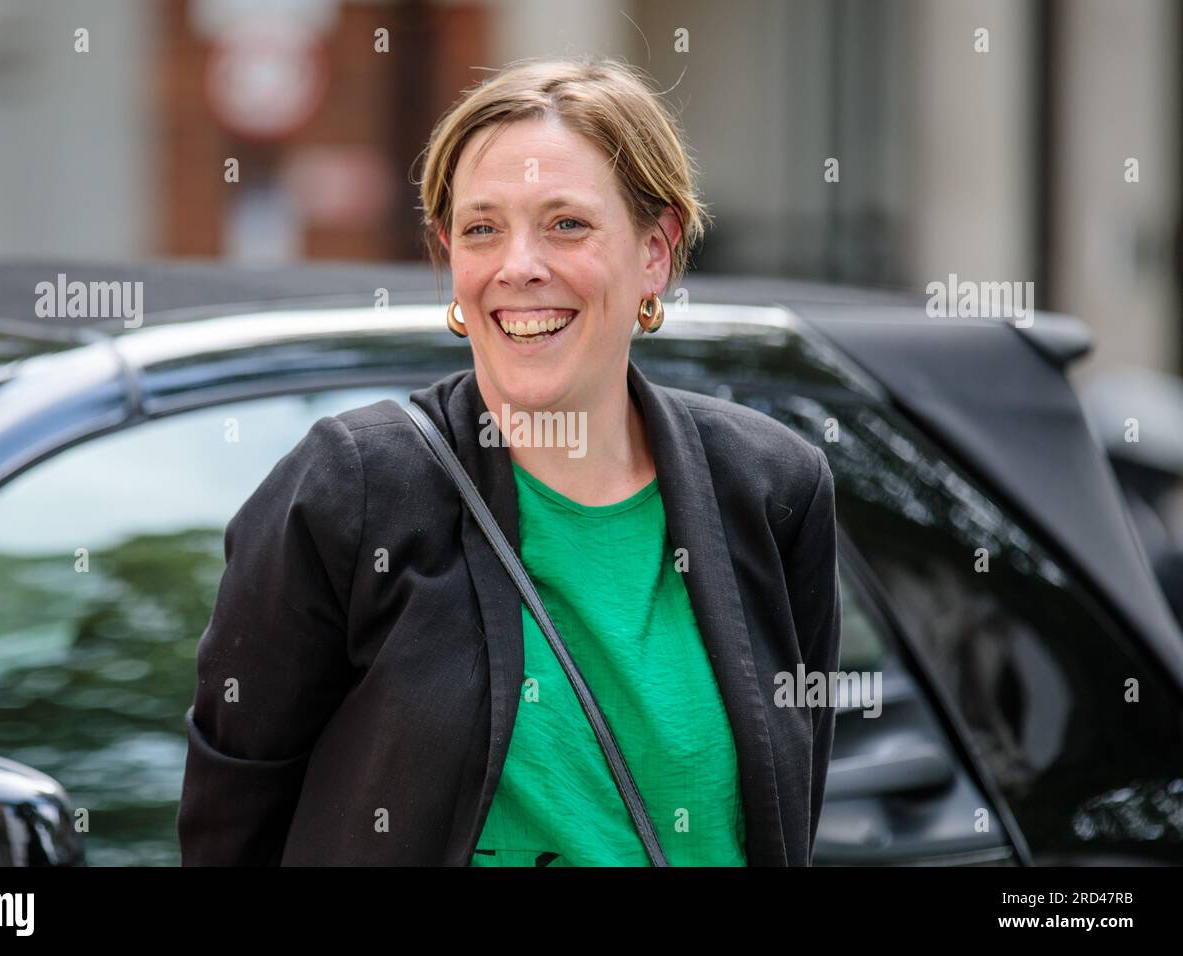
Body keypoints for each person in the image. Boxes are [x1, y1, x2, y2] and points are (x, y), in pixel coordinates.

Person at [177, 55, 842, 867]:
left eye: (566, 224)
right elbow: (229, 829)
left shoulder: (773, 489)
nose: (517, 266)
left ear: (656, 251)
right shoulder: (352, 488)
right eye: (482, 228)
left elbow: (786, 817)